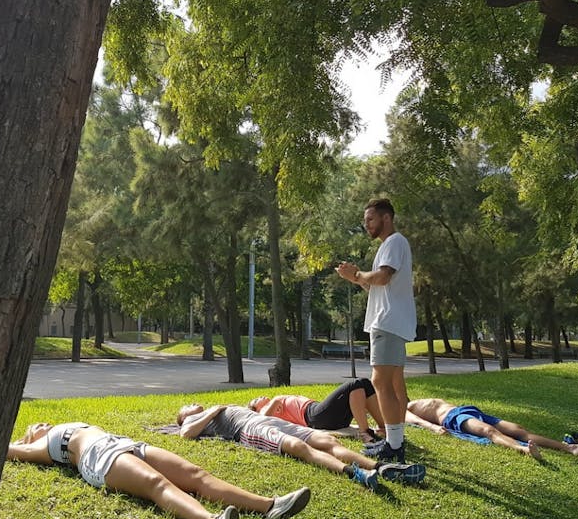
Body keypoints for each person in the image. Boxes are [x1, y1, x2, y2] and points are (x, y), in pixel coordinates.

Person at [6, 421, 313, 519]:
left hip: (124, 443)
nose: (41, 425)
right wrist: (25, 440)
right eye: (35, 428)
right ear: (30, 437)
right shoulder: (39, 446)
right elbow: (7, 451)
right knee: (157, 485)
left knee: (196, 475)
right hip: (97, 457)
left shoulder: (63, 427)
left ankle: (271, 506)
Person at [336, 197, 416, 463]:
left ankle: (394, 446)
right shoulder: (389, 246)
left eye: (370, 219)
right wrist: (356, 278)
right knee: (394, 383)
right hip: (392, 320)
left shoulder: (394, 242)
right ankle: (396, 441)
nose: (366, 224)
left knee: (380, 382)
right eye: (365, 220)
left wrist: (358, 275)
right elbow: (378, 287)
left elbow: (382, 277)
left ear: (386, 218)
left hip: (388, 321)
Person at [176, 404, 425, 489]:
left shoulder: (210, 410)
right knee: (296, 446)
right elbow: (186, 434)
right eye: (186, 406)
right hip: (249, 430)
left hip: (265, 420)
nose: (192, 403)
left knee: (326, 440)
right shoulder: (192, 419)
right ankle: (353, 473)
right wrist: (213, 411)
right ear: (183, 415)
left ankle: (381, 467)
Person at [405, 397, 578, 459]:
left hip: (466, 410)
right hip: (454, 418)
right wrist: (433, 428)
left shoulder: (409, 400)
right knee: (489, 432)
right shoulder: (402, 409)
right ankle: (525, 449)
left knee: (519, 429)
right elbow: (414, 420)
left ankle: (570, 448)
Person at [248, 378, 386, 443]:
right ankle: (365, 433)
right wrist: (275, 400)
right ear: (256, 408)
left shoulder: (272, 404)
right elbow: (262, 419)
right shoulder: (265, 410)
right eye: (256, 400)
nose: (260, 397)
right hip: (313, 417)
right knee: (356, 384)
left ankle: (383, 427)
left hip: (322, 413)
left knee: (364, 385)